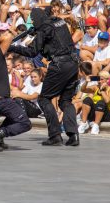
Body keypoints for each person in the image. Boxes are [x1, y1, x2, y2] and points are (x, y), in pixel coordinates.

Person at [8, 8, 80, 147]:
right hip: (73, 64)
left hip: (59, 64)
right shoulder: (59, 22)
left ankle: (55, 136)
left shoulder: (43, 29)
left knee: (44, 98)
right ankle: (73, 135)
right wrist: (38, 34)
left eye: (33, 21)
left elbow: (32, 52)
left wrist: (12, 47)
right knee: (65, 101)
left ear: (38, 19)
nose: (33, 23)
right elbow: (55, 38)